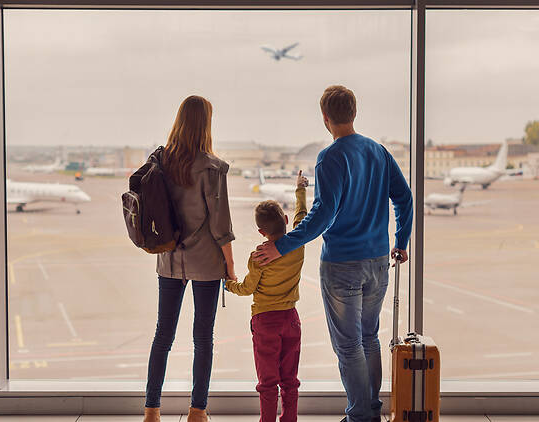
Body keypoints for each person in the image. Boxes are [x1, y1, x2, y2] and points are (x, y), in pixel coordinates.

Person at [253, 85, 413, 422]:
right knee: (369, 337)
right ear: (354, 113)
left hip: (342, 265)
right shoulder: (378, 152)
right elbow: (405, 198)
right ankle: (369, 412)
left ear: (325, 118)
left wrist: (281, 245)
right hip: (378, 262)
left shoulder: (330, 157)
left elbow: (323, 215)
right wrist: (401, 240)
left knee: (349, 345)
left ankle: (360, 417)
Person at [144, 95, 236, 422]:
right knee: (203, 337)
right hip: (206, 262)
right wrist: (231, 265)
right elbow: (220, 224)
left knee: (163, 335)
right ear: (206, 123)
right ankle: (198, 410)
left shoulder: (160, 161)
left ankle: (152, 410)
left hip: (168, 259)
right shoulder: (213, 168)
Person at [224, 171, 309, 422]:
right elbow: (302, 217)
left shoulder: (258, 256)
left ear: (261, 232)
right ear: (284, 218)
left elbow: (248, 288)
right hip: (291, 319)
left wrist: (230, 285)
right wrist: (300, 189)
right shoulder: (298, 244)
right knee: (290, 379)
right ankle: (289, 419)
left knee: (268, 381)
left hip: (265, 322)